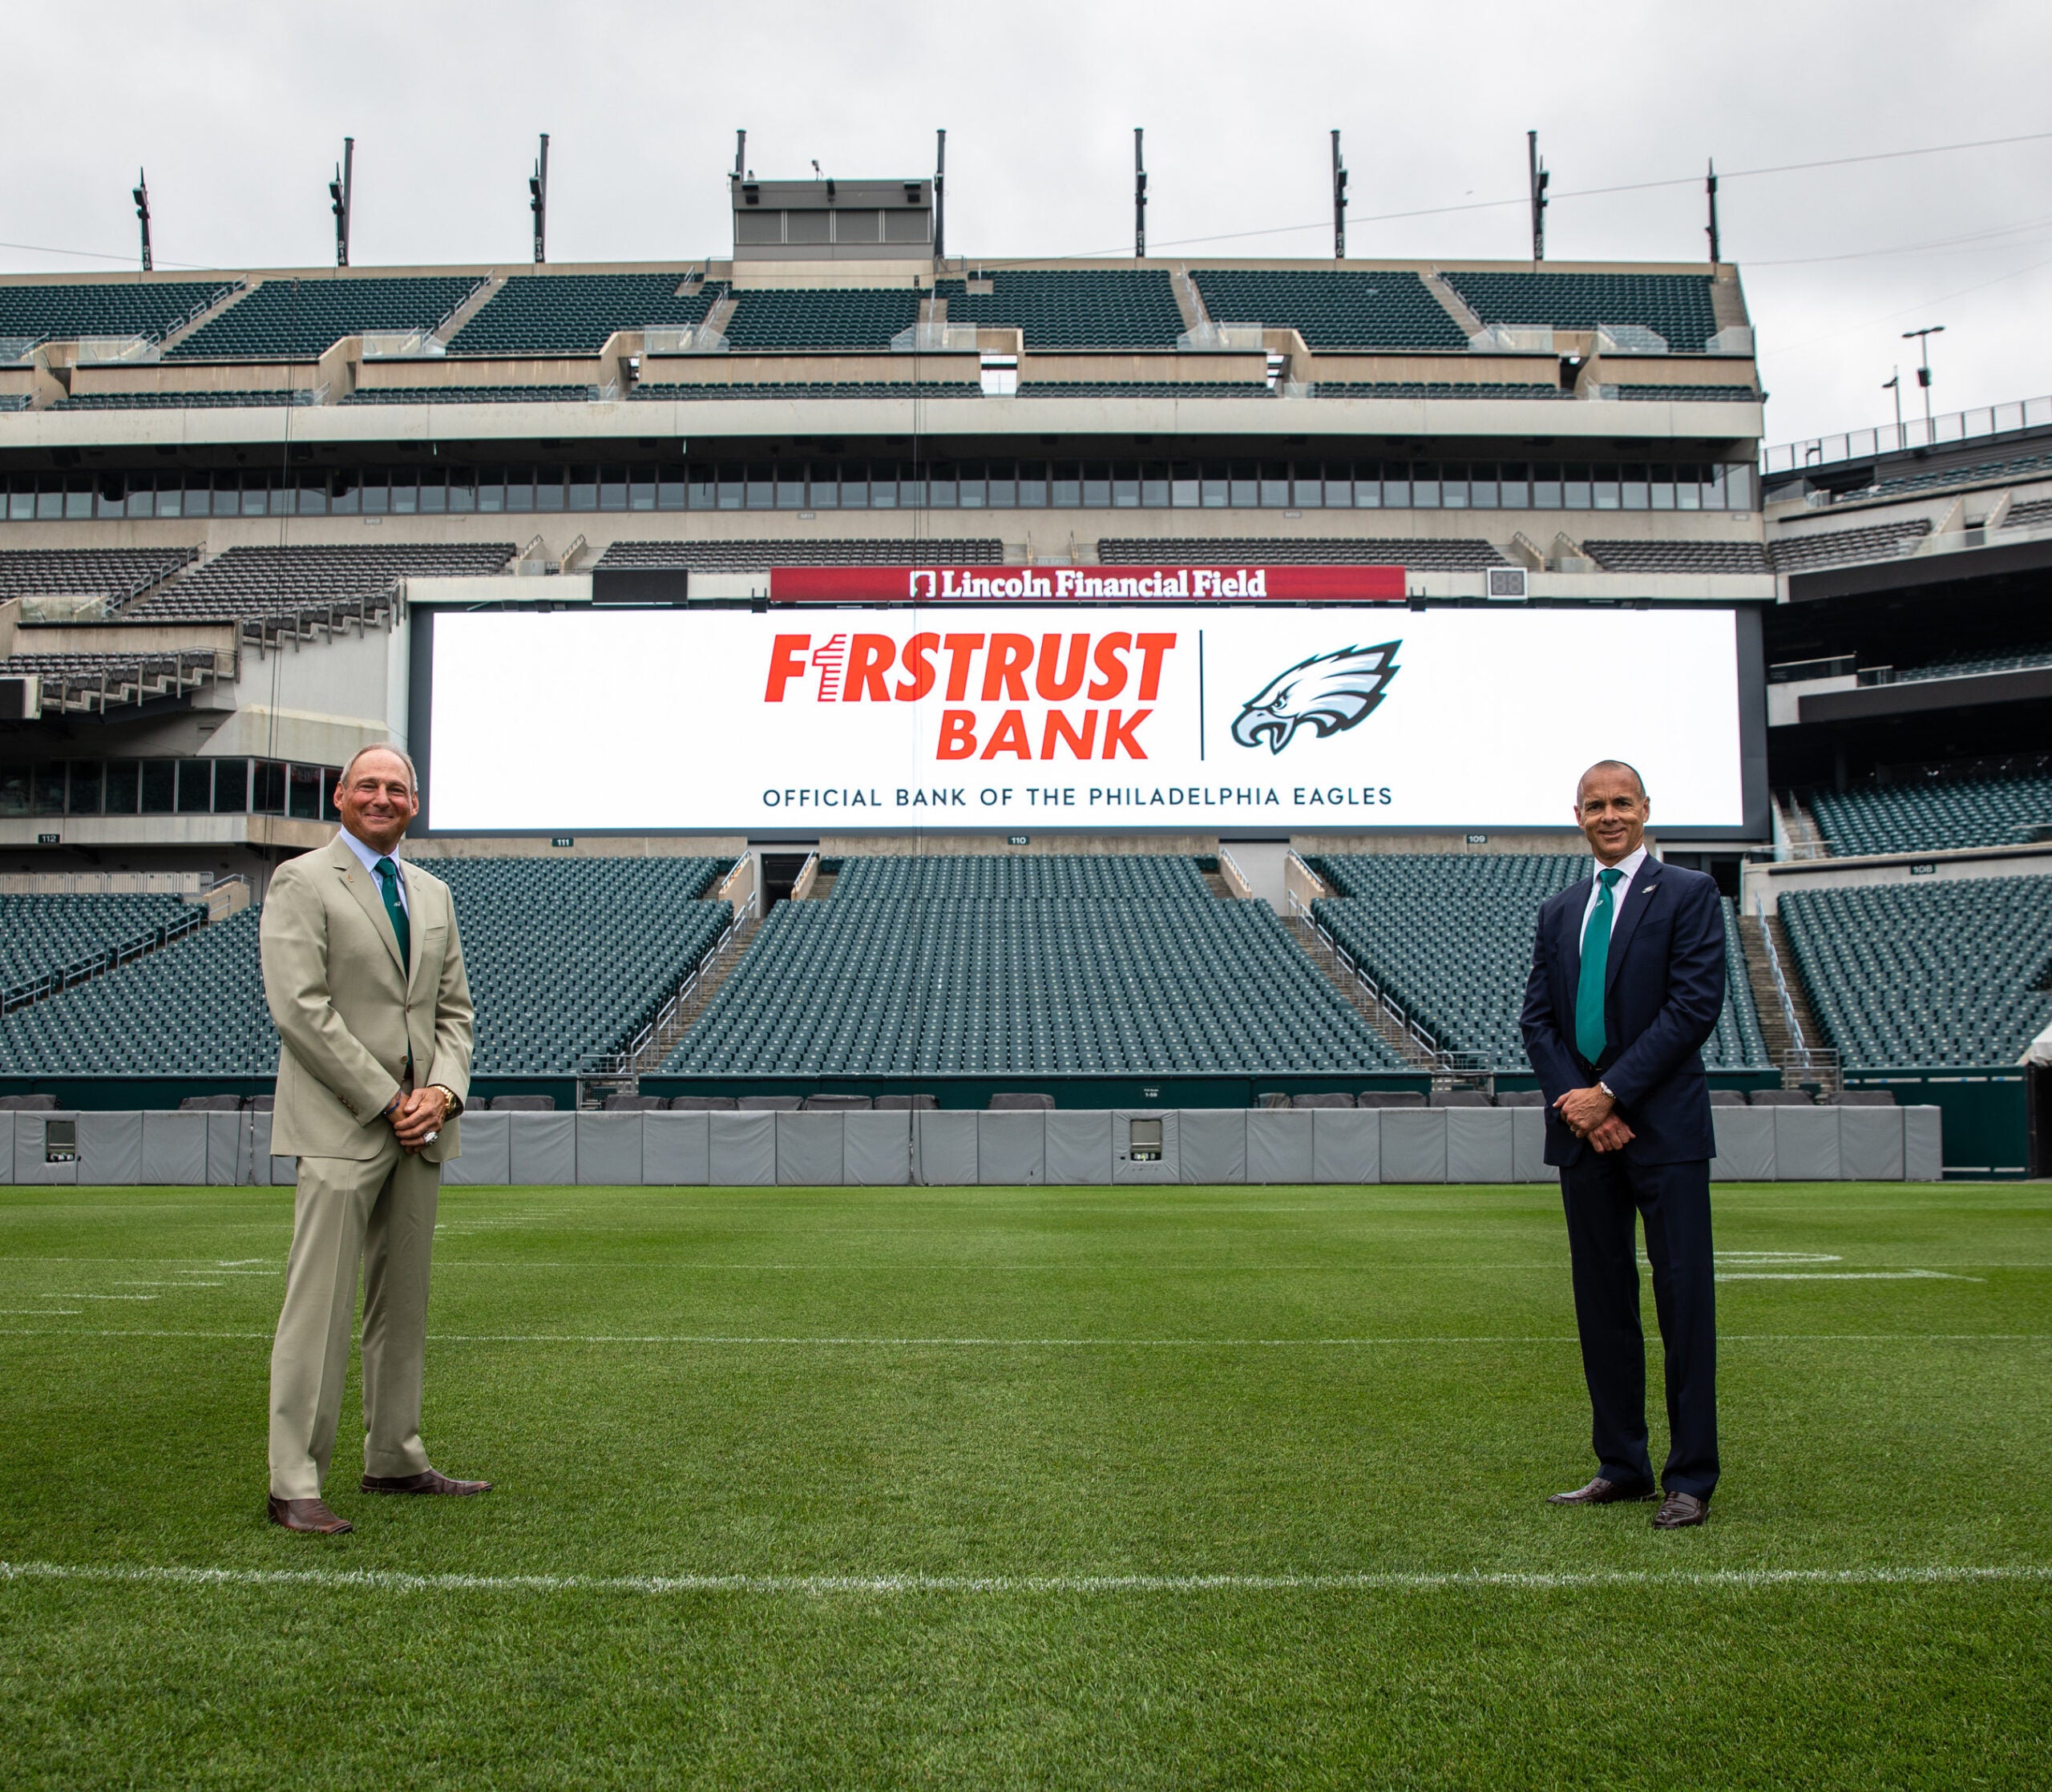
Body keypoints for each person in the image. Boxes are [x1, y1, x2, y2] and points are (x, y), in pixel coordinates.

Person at [260, 744, 484, 1535]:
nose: (382, 797)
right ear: (341, 796)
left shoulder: (433, 893)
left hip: (421, 1131)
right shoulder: (301, 881)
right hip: (342, 1125)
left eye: (397, 788)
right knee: (318, 1309)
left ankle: (394, 1455)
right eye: (368, 786)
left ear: (414, 804)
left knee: (403, 1307)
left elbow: (453, 1013)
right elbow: (301, 1008)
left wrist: (443, 1095)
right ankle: (294, 1480)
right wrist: (389, 1099)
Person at [1519, 760, 1725, 1530]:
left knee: (1683, 1304)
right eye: (1595, 805)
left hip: (1664, 1131)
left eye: (1622, 803)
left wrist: (1612, 1093)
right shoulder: (1559, 910)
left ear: (1645, 810)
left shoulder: (1690, 893)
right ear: (1577, 815)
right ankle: (1622, 1466)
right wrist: (1584, 1107)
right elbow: (1538, 1021)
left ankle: (1691, 1477)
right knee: (1603, 1305)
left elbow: (1693, 1006)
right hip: (1585, 1137)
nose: (1609, 815)